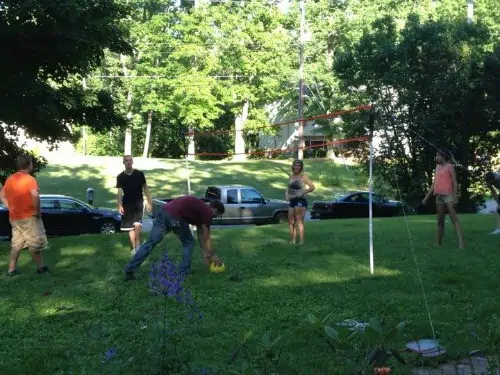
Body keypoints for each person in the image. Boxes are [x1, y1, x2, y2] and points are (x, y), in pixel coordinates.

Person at [123, 196, 225, 280]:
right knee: (189, 243)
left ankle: (129, 270)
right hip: (175, 216)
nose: (215, 217)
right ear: (214, 209)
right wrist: (214, 256)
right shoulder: (207, 212)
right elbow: (207, 237)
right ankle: (183, 272)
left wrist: (205, 253)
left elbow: (201, 234)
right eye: (217, 214)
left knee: (150, 243)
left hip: (163, 211)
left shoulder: (201, 209)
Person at [0, 155, 49, 276]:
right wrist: (37, 212)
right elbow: (35, 196)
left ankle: (11, 270)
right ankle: (41, 268)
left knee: (16, 245)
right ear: (28, 165)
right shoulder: (29, 179)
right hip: (29, 217)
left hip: (15, 219)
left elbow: (2, 195)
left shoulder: (10, 179)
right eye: (32, 163)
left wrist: (10, 207)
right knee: (35, 243)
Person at [422, 149, 465, 249]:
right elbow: (434, 183)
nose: (436, 157)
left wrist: (455, 197)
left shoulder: (450, 166)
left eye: (438, 155)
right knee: (440, 222)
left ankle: (462, 243)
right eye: (436, 155)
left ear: (444, 157)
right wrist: (427, 197)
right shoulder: (437, 168)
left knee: (454, 220)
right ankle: (438, 243)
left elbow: (454, 182)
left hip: (448, 196)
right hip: (439, 197)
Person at [116, 155, 153, 255]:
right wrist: (119, 205)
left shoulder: (139, 174)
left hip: (138, 202)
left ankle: (138, 246)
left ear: (132, 162)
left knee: (137, 225)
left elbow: (146, 188)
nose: (128, 162)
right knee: (130, 228)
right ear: (123, 162)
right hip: (127, 203)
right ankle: (134, 248)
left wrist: (149, 202)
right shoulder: (120, 177)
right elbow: (119, 192)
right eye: (126, 161)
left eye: (130, 160)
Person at [285, 159, 315, 245]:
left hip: (301, 201)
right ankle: (293, 240)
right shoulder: (291, 176)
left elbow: (312, 187)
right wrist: (286, 193)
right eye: (295, 165)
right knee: (291, 221)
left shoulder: (304, 176)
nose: (296, 167)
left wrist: (303, 192)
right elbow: (288, 188)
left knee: (299, 221)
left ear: (301, 167)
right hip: (292, 200)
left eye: (298, 166)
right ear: (293, 166)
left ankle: (301, 241)